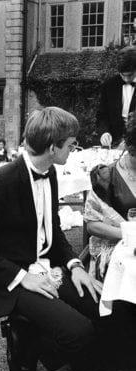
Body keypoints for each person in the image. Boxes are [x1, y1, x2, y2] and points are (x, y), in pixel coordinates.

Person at [0, 107, 102, 371]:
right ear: (53, 147)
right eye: (72, 145)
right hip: (8, 279)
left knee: (102, 308)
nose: (73, 150)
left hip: (44, 268)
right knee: (79, 332)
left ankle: (37, 337)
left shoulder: (49, 173)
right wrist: (23, 277)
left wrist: (75, 266)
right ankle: (25, 346)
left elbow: (53, 230)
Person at [84, 114, 136, 281]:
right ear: (131, 146)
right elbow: (92, 224)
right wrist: (127, 234)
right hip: (118, 253)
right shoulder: (106, 176)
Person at [97, 46, 136, 148]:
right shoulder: (109, 85)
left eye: (130, 75)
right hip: (113, 144)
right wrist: (104, 132)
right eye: (123, 75)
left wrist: (130, 141)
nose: (127, 79)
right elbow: (102, 116)